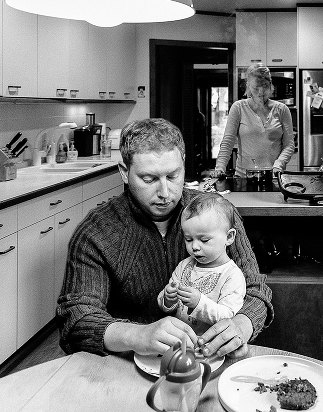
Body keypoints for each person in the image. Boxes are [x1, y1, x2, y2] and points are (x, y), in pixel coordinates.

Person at [56, 118, 273, 359]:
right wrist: (137, 336)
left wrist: (241, 325)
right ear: (125, 173)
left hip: (208, 359)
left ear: (183, 165)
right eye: (149, 179)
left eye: (173, 176)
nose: (165, 193)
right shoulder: (96, 232)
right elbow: (76, 318)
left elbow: (256, 290)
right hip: (126, 364)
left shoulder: (219, 216)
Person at [157, 193, 246, 336]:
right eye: (188, 239)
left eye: (204, 240)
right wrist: (168, 300)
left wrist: (199, 303)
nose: (195, 247)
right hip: (180, 341)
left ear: (229, 237)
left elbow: (228, 317)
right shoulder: (184, 266)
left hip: (210, 346)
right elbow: (170, 308)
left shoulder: (232, 275)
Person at [212, 63, 295, 177]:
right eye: (256, 88)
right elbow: (228, 142)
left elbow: (289, 145)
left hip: (274, 177)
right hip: (243, 177)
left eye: (265, 86)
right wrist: (220, 167)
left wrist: (279, 165)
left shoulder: (282, 109)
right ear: (249, 87)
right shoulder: (238, 108)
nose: (261, 92)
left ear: (271, 85)